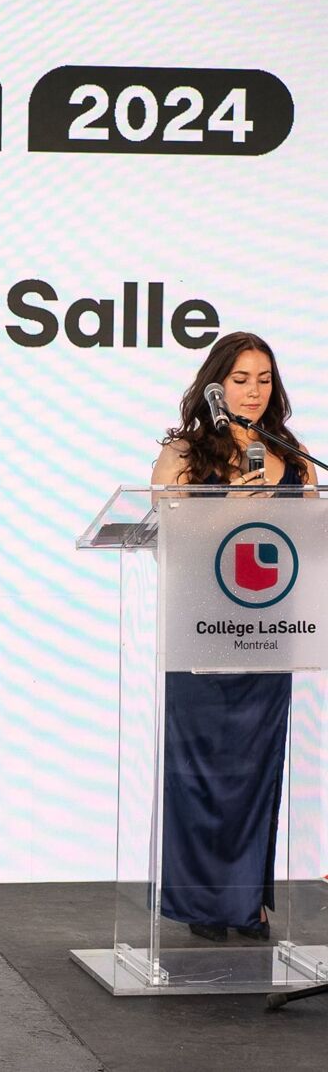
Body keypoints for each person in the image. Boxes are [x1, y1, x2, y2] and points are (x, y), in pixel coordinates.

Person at [151, 331, 317, 941]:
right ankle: (204, 904)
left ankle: (248, 901)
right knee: (202, 772)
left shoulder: (290, 452)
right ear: (217, 383)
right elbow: (169, 529)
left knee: (256, 769)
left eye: (264, 379)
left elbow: (312, 532)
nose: (253, 392)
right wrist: (230, 507)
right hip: (202, 632)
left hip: (270, 630)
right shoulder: (186, 451)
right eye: (242, 379)